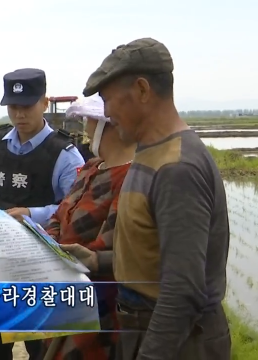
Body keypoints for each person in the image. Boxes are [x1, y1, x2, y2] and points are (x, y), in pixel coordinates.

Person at [62, 38, 231, 360]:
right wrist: (99, 260)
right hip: (145, 327)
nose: (107, 112)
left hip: (179, 342)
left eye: (109, 100)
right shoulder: (149, 152)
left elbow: (182, 292)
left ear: (142, 90)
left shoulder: (176, 167)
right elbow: (156, 253)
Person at [0, 68, 85, 360]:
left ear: (44, 103)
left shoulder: (65, 154)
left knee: (39, 346)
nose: (19, 114)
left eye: (27, 106)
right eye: (13, 106)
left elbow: (76, 206)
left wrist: (33, 213)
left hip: (41, 263)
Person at [39, 94, 135, 360]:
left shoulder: (131, 178)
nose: (85, 129)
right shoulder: (92, 167)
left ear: (110, 126)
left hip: (98, 304)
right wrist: (49, 239)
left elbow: (107, 246)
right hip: (63, 292)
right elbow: (60, 213)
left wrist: (64, 255)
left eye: (90, 123)